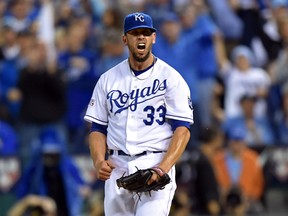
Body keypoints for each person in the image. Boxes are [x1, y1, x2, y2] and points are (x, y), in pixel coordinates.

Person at [84, 12, 193, 216]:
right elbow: (98, 128)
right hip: (117, 167)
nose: (141, 37)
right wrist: (99, 161)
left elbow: (183, 130)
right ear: (125, 39)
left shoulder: (171, 78)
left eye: (146, 33)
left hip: (154, 163)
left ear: (154, 37)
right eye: (135, 33)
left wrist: (162, 168)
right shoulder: (108, 79)